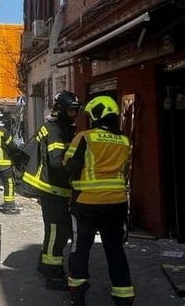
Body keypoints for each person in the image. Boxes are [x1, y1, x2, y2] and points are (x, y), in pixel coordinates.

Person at [63, 95, 134, 305]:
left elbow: (69, 164)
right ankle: (124, 296)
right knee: (115, 250)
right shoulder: (124, 140)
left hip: (87, 203)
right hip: (117, 203)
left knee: (80, 249)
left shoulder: (85, 137)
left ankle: (77, 294)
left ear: (96, 115)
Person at [22, 90, 81, 290]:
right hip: (52, 188)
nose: (74, 115)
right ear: (61, 109)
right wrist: (77, 166)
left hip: (55, 188)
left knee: (56, 230)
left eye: (76, 111)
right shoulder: (56, 129)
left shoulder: (60, 127)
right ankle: (53, 273)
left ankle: (43, 263)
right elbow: (56, 162)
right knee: (57, 231)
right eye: (71, 111)